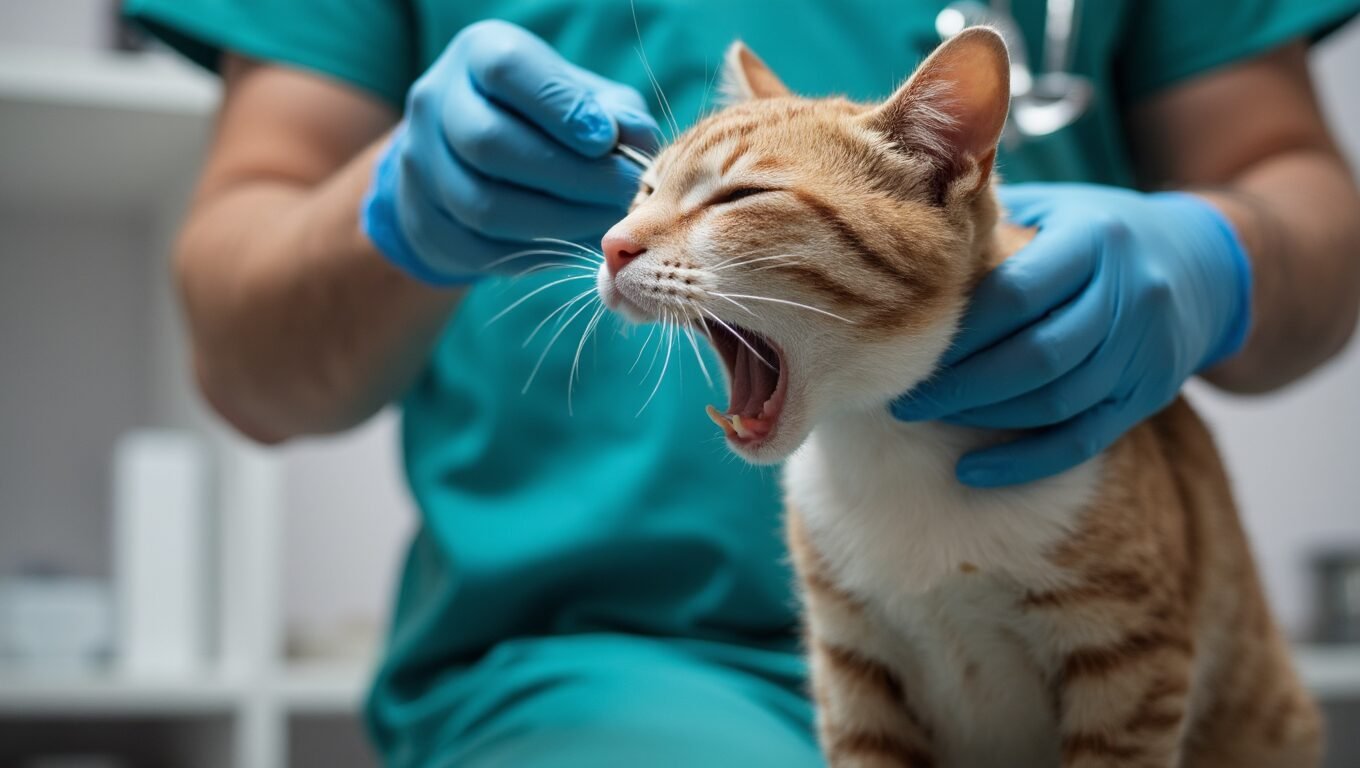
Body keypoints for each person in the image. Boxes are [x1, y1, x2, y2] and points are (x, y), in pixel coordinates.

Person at [125, 1, 1360, 765]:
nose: (620, 237)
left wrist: (1218, 260)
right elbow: (240, 356)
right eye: (644, 194)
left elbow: (1290, 182)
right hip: (589, 656)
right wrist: (396, 199)